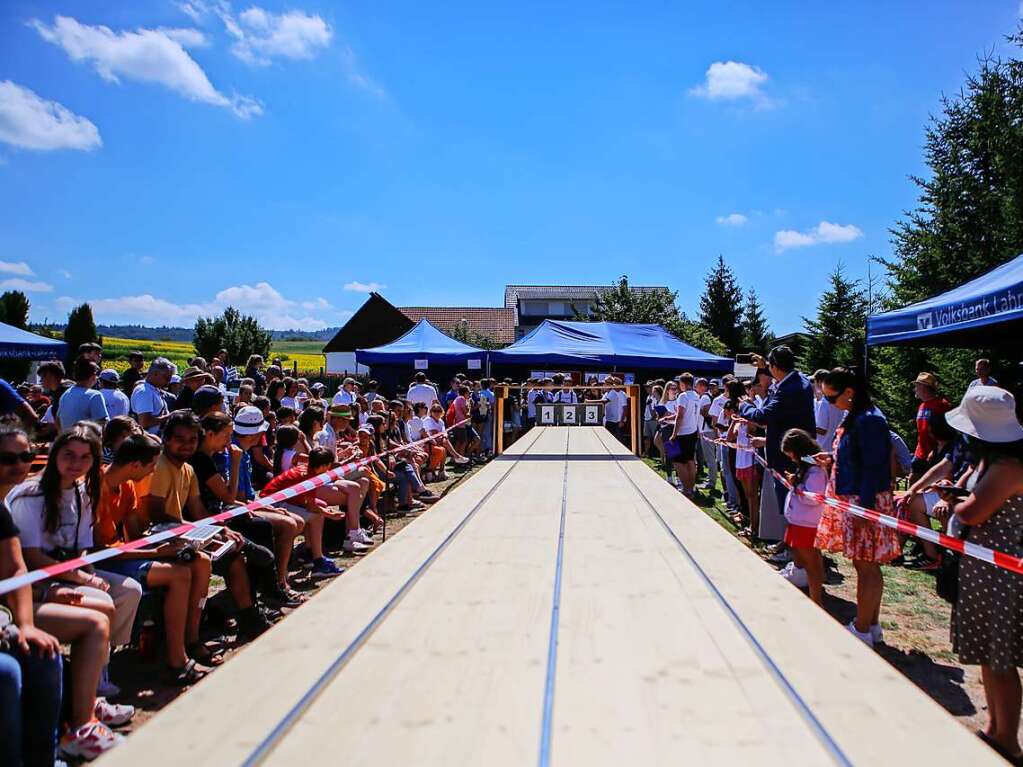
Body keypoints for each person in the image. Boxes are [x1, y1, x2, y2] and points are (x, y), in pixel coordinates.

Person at [7, 425, 141, 718]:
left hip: (68, 569)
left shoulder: (84, 493)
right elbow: (31, 557)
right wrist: (80, 578)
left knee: (129, 590)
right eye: (69, 455)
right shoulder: (31, 496)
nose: (75, 463)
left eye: (85, 457)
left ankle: (100, 670)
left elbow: (81, 546)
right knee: (102, 603)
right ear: (55, 455)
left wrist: (87, 571)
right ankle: (92, 692)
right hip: (42, 575)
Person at [944, 385, 1023, 764]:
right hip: (985, 569)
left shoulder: (1008, 468)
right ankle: (995, 729)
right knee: (989, 657)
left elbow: (974, 512)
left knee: (1000, 659)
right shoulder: (992, 462)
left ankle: (1008, 739)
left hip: (1001, 575)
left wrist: (954, 506)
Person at [96, 434, 216, 682]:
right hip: (102, 561)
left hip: (124, 553)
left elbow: (134, 535)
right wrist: (156, 553)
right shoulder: (96, 488)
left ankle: (191, 639)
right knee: (179, 573)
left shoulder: (127, 485)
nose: (152, 473)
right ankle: (176, 658)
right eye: (151, 466)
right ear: (136, 465)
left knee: (200, 561)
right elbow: (102, 549)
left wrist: (167, 542)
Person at [141, 411, 270, 640]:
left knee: (236, 557)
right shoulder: (161, 467)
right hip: (161, 537)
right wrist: (206, 531)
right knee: (234, 553)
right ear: (167, 439)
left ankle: (249, 619)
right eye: (180, 439)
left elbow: (199, 510)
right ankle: (193, 637)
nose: (187, 446)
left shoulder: (188, 469)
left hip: (183, 532)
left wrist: (218, 529)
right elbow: (159, 515)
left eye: (192, 440)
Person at [814, 367, 900, 647]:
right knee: (866, 565)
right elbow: (859, 456)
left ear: (849, 393)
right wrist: (832, 458)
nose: (828, 403)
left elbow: (875, 468)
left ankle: (862, 629)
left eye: (831, 397)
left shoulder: (870, 420)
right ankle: (871, 625)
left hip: (865, 502)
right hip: (856, 499)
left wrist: (865, 511)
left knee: (867, 567)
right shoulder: (858, 416)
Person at [740, 346, 816, 523]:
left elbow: (763, 416)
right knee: (789, 504)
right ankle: (787, 544)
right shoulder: (799, 380)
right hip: (792, 453)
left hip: (787, 457)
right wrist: (765, 365)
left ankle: (792, 548)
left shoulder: (789, 390)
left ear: (775, 367)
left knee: (791, 506)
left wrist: (745, 406)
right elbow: (780, 371)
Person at [260, 447, 348, 576]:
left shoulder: (309, 469)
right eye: (329, 465)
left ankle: (309, 552)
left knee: (320, 507)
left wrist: (323, 509)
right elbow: (311, 507)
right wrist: (330, 514)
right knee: (317, 516)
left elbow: (307, 501)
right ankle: (318, 560)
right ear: (323, 465)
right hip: (272, 503)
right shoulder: (310, 477)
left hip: (282, 499)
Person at [779, 428, 826, 604]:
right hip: (798, 521)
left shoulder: (816, 472)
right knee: (800, 555)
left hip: (807, 524)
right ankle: (799, 579)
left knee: (812, 565)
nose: (790, 458)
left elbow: (813, 498)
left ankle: (817, 601)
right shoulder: (807, 469)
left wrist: (797, 487)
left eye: (791, 454)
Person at [910, 371, 952, 481]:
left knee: (930, 485)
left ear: (924, 387)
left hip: (936, 454)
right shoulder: (922, 405)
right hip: (920, 452)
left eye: (917, 386)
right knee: (913, 480)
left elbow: (947, 432)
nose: (915, 389)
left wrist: (936, 450)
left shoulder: (942, 404)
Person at [53, 358, 109, 433]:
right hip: (87, 442)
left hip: (67, 441)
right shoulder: (95, 395)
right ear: (93, 376)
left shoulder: (66, 394)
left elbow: (58, 422)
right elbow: (102, 424)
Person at [670, 373, 701, 497]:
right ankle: (690, 488)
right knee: (689, 460)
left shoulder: (683, 396)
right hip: (692, 431)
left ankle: (686, 488)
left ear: (683, 383)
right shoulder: (696, 395)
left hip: (683, 432)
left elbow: (680, 415)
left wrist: (674, 434)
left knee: (677, 461)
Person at [130, 357, 175, 435]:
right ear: (155, 374)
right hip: (146, 440)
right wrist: (170, 416)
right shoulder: (144, 392)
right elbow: (144, 422)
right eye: (166, 377)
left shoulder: (153, 390)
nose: (169, 380)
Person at [812, 368, 844, 452]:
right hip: (834, 447)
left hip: (822, 448)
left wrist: (805, 424)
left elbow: (822, 430)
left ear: (819, 382)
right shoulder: (839, 400)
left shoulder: (824, 402)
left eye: (814, 382)